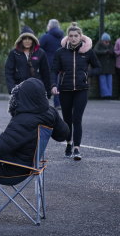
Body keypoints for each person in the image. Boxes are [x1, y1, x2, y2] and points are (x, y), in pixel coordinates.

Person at [0, 78, 69, 220]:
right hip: (31, 166)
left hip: (11, 169)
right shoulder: (50, 112)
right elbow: (64, 134)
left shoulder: (23, 121)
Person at [51, 22, 101, 160]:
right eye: (71, 36)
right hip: (65, 89)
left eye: (76, 36)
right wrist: (54, 84)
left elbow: (98, 67)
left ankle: (77, 148)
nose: (73, 38)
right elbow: (54, 70)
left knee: (77, 119)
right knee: (67, 120)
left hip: (81, 89)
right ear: (68, 37)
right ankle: (68, 143)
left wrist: (86, 74)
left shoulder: (88, 52)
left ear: (81, 37)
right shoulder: (60, 52)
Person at [5, 30, 51, 96]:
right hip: (19, 89)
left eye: (29, 38)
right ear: (21, 40)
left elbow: (46, 72)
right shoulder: (14, 53)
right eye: (25, 39)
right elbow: (8, 71)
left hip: (36, 88)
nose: (27, 41)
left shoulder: (40, 53)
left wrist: (48, 91)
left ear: (33, 40)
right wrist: (12, 88)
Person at [40, 19, 64, 108]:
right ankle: (58, 103)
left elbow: (38, 48)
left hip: (48, 62)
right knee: (57, 82)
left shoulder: (46, 37)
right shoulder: (63, 37)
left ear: (49, 26)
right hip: (60, 62)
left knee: (44, 82)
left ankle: (42, 103)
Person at [94, 33, 115, 99]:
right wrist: (105, 51)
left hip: (110, 67)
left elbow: (114, 53)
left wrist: (111, 52)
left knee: (109, 81)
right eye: (106, 41)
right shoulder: (98, 44)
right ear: (102, 40)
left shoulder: (111, 45)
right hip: (101, 66)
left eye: (108, 41)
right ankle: (105, 95)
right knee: (103, 81)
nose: (107, 42)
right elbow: (95, 51)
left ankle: (109, 94)